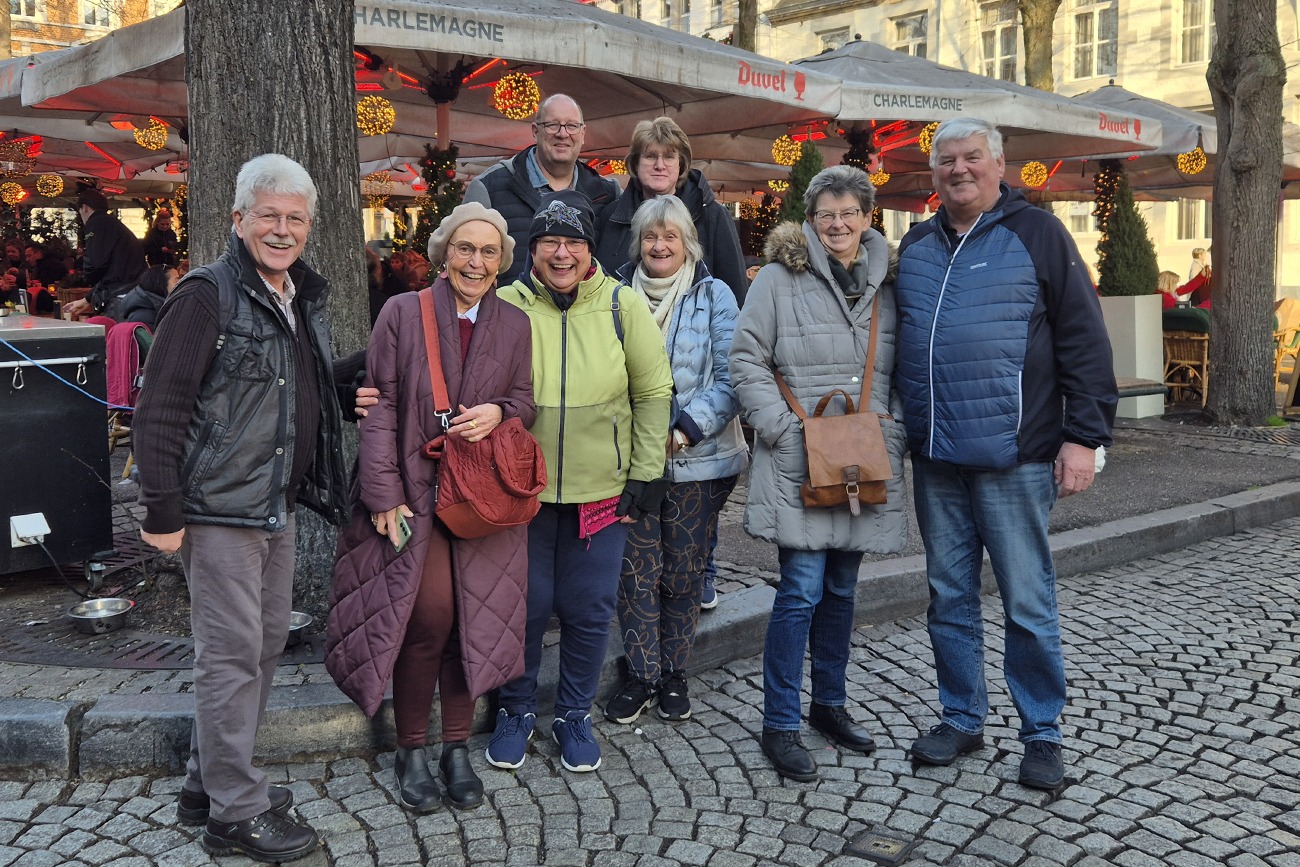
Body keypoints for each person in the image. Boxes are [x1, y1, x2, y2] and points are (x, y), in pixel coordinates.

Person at [133, 154, 353, 863]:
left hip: (272, 502)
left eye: (295, 218)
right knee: (230, 655)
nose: (282, 230)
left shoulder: (293, 293)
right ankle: (235, 811)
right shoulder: (207, 295)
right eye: (269, 216)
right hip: (218, 508)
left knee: (260, 645)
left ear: (309, 226)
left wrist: (346, 388)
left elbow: (282, 390)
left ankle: (206, 783)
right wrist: (162, 510)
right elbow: (160, 406)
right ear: (238, 219)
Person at [894, 118, 1117, 791]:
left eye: (971, 157)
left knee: (1027, 600)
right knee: (948, 596)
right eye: (946, 161)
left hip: (1016, 456)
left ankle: (1042, 732)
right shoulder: (916, 245)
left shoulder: (1039, 234)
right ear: (934, 174)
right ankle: (962, 716)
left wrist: (1085, 437)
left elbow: (1084, 338)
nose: (958, 170)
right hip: (937, 457)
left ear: (998, 165)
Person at [327, 202, 535, 813]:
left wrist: (500, 412)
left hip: (481, 498)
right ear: (444, 253)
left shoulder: (515, 323)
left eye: (489, 252)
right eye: (465, 248)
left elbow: (525, 402)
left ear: (501, 262)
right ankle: (411, 749)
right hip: (414, 491)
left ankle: (456, 748)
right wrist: (382, 492)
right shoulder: (401, 311)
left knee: (474, 619)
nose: (476, 261)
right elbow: (379, 405)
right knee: (429, 617)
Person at [729, 165, 906, 782]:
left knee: (841, 592)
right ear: (810, 220)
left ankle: (829, 703)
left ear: (867, 217)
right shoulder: (779, 278)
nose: (837, 224)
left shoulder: (889, 282)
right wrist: (781, 429)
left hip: (864, 457)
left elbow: (902, 367)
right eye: (826, 214)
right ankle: (779, 723)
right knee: (801, 591)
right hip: (799, 460)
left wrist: (893, 427)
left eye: (848, 212)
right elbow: (745, 358)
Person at [489, 190, 673, 773]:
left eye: (573, 242)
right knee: (524, 606)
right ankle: (515, 708)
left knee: (589, 608)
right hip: (522, 490)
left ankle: (573, 713)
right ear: (533, 250)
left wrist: (647, 471)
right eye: (549, 242)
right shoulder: (506, 303)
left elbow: (653, 391)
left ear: (590, 249)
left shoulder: (622, 304)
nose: (561, 253)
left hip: (603, 491)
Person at [603, 196, 747, 725]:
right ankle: (642, 674)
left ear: (688, 243)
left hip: (699, 462)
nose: (659, 246)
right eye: (650, 236)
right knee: (636, 574)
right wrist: (635, 439)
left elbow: (734, 377)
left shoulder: (714, 294)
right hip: (631, 465)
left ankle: (673, 673)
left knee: (682, 575)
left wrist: (684, 431)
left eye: (670, 236)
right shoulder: (613, 294)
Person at [464, 94, 619, 285]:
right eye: (552, 125)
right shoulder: (488, 187)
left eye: (572, 126)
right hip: (511, 303)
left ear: (583, 133)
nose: (563, 134)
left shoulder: (608, 193)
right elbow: (467, 265)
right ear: (535, 131)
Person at [594, 117, 748, 305]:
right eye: (650, 156)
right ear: (635, 163)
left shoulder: (712, 216)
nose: (660, 165)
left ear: (680, 164)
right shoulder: (610, 217)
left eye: (669, 156)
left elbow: (736, 296)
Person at [62, 188, 146, 320]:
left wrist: (87, 276)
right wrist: (87, 299)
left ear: (84, 208)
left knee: (114, 332)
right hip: (131, 291)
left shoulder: (96, 223)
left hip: (118, 297)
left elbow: (96, 262)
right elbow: (110, 267)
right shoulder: (113, 224)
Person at [118, 264, 180, 329]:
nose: (180, 284)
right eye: (177, 281)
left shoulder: (157, 308)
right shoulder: (144, 317)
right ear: (161, 283)